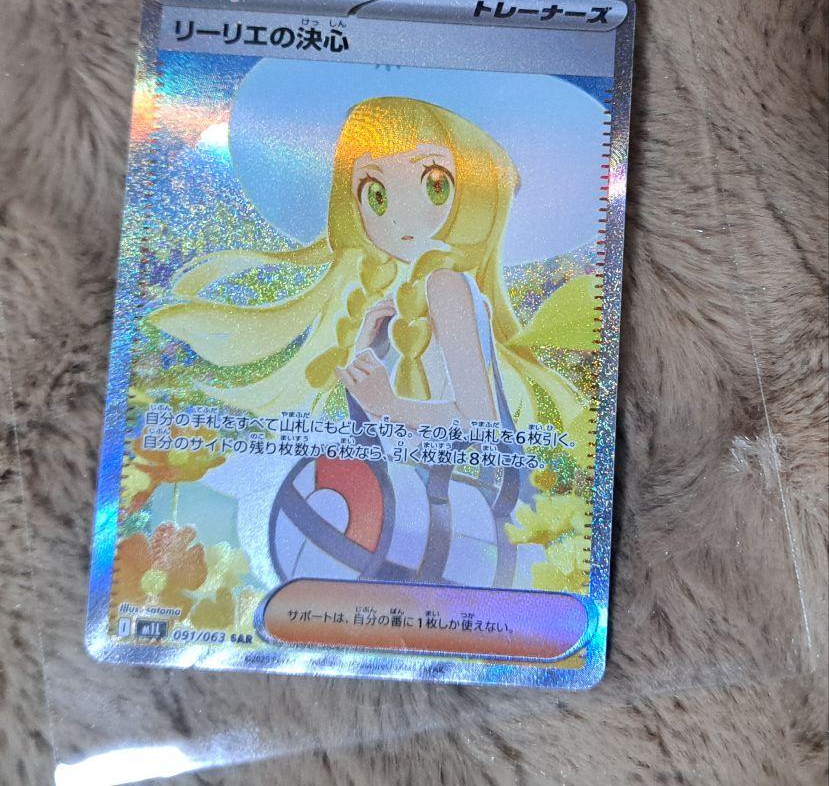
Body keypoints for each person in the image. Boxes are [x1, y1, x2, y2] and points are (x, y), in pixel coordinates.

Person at [150, 96, 595, 587]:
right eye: (377, 194)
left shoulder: (446, 286)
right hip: (421, 513)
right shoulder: (404, 297)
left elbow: (482, 424)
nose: (400, 218)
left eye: (434, 184)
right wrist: (369, 358)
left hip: (454, 516)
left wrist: (387, 404)